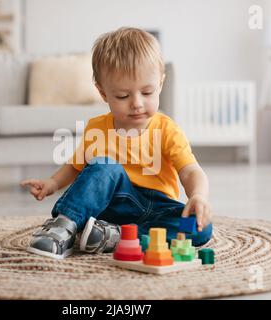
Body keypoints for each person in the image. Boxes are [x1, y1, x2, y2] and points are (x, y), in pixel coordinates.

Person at [21, 27, 212, 259]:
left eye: (147, 92)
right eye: (123, 96)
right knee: (103, 165)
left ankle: (117, 237)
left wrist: (198, 195)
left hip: (157, 208)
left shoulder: (167, 129)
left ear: (160, 84)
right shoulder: (96, 128)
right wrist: (52, 182)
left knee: (202, 229)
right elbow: (75, 167)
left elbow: (190, 170)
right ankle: (63, 226)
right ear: (103, 94)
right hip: (111, 206)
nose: (137, 103)